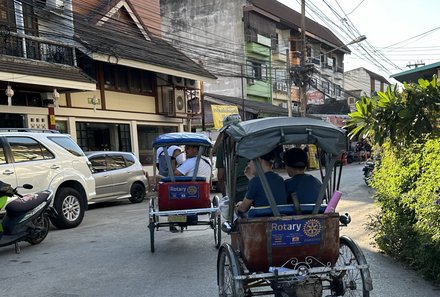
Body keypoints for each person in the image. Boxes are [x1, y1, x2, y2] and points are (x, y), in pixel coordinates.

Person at [235, 151, 287, 215]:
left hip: (261, 219)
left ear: (258, 160)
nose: (248, 165)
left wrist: (239, 206)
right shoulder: (280, 179)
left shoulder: (255, 182)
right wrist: (252, 179)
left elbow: (243, 208)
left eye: (250, 161)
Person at [215, 114, 248, 200]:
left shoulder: (223, 146)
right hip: (255, 185)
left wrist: (224, 195)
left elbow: (221, 176)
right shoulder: (250, 142)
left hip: (236, 187)